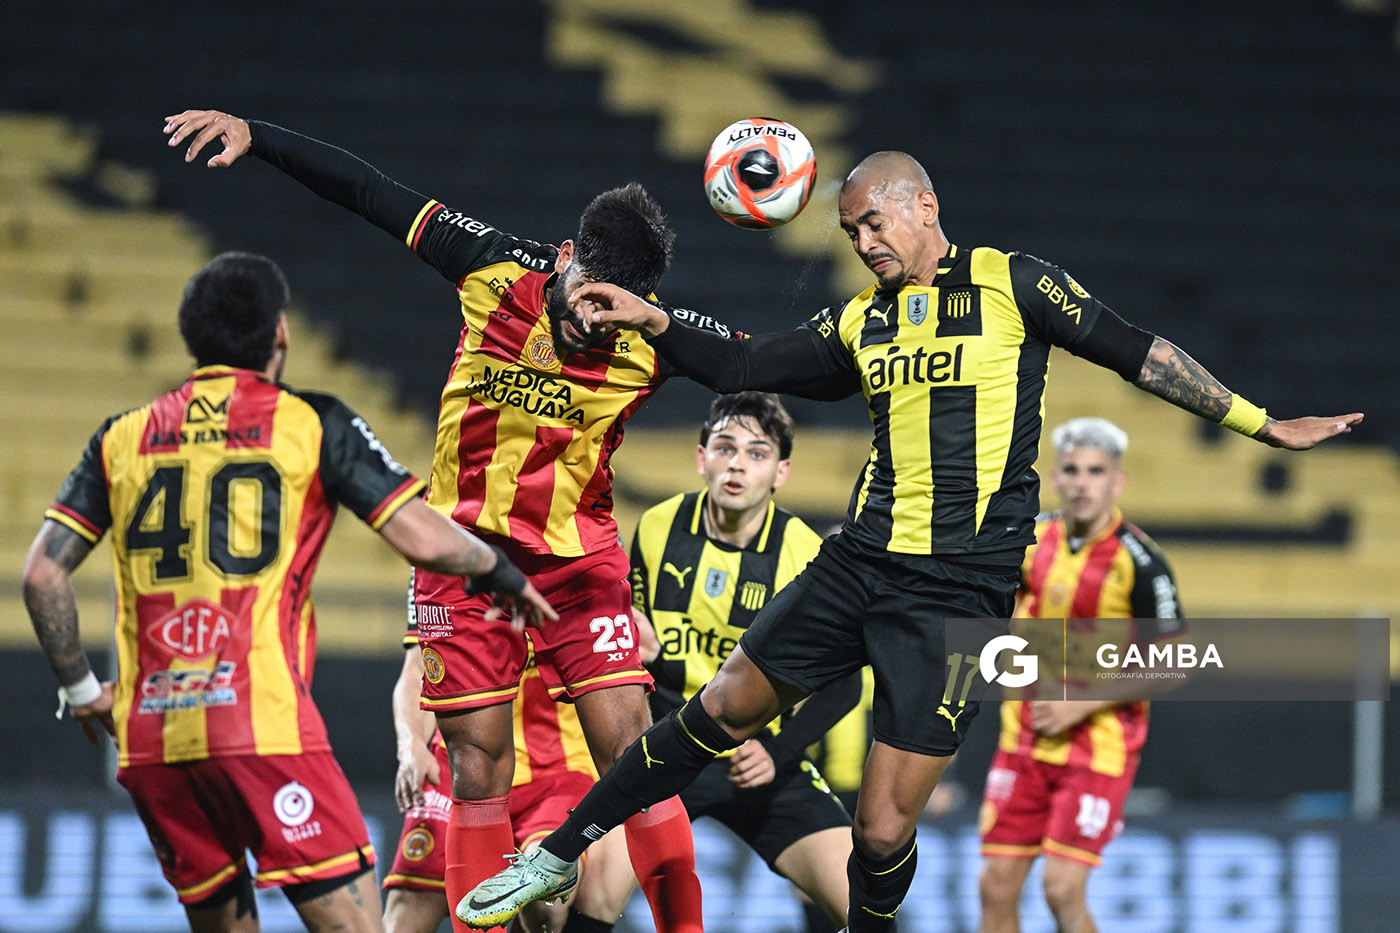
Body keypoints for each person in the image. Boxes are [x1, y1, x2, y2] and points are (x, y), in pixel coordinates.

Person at [459, 149, 1364, 931]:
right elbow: (742, 362)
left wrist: (1261, 423)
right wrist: (656, 319)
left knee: (884, 831)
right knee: (713, 711)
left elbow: (1138, 350)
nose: (864, 242)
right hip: (859, 565)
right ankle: (560, 852)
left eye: (873, 221)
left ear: (924, 206)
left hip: (958, 603)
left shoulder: (1015, 283)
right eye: (851, 232)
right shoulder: (862, 320)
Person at [162, 108, 720, 933]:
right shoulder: (491, 266)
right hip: (463, 560)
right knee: (475, 766)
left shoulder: (656, 335)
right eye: (586, 298)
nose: (592, 320)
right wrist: (258, 135)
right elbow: (368, 190)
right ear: (565, 258)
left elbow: (766, 362)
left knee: (636, 757)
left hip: (577, 560)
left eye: (615, 309)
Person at [20, 252, 554, 933]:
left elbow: (41, 573)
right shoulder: (310, 422)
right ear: (281, 334)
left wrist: (80, 689)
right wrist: (501, 572)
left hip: (153, 735)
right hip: (262, 724)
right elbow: (422, 535)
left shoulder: (121, 437)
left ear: (191, 337)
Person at [627, 392, 859, 930]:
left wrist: (778, 751)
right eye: (724, 447)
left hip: (753, 760)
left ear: (781, 472)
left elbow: (844, 684)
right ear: (701, 456)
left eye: (756, 453)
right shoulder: (659, 525)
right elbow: (636, 643)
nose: (736, 463)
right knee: (588, 893)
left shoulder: (805, 553)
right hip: (666, 754)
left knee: (863, 902)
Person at [978, 417, 1182, 933]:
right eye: (1071, 469)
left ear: (1118, 482)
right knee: (994, 887)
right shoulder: (1030, 538)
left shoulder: (1141, 560)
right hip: (1022, 738)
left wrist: (1081, 701)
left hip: (1098, 746)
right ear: (1054, 477)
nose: (1082, 482)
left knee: (1061, 889)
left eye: (1095, 471)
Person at [383, 575, 635, 933]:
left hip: (555, 769)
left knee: (548, 910)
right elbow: (416, 668)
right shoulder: (441, 544)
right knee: (408, 909)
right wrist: (410, 745)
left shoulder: (575, 539)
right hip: (461, 763)